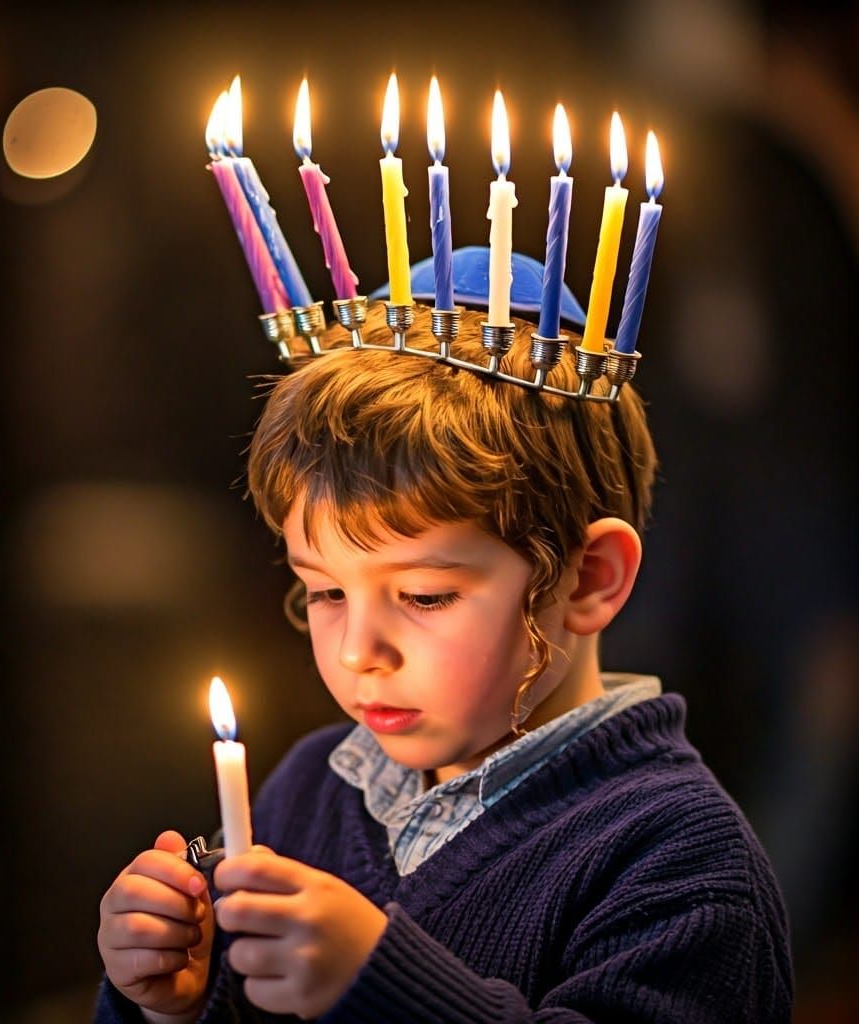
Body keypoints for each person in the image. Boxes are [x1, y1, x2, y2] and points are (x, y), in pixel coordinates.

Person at [94, 304, 793, 1022]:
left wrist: (384, 988)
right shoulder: (311, 787)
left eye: (424, 596)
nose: (357, 651)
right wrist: (175, 1005)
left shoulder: (681, 865)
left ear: (588, 580)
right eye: (326, 590)